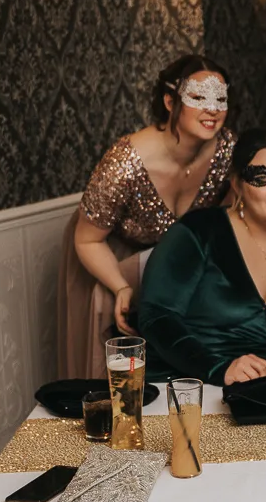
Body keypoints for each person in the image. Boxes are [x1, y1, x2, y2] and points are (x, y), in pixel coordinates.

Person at [57, 55, 236, 378]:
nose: (212, 109)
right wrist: (120, 286)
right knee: (119, 368)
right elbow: (87, 239)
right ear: (170, 101)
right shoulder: (125, 161)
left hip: (178, 266)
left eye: (220, 98)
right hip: (111, 259)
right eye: (199, 97)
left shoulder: (226, 150)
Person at [138, 130, 266, 385]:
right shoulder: (198, 232)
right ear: (237, 183)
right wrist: (219, 369)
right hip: (196, 387)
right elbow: (157, 316)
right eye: (262, 177)